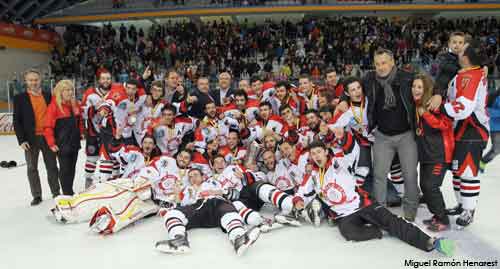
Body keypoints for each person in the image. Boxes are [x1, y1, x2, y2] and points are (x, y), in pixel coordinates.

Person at [293, 139, 455, 256]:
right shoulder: (312, 175)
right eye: (313, 154)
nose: (316, 156)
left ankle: (430, 242)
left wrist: (342, 137)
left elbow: (350, 149)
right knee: (350, 234)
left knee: (393, 222)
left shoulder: (339, 162)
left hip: (363, 204)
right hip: (344, 215)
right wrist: (298, 201)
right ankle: (378, 230)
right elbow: (301, 192)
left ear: (326, 152)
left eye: (319, 152)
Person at [155, 168, 261, 256]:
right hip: (197, 208)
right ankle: (179, 240)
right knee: (172, 214)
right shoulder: (187, 189)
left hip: (216, 202)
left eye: (195, 174)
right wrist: (178, 194)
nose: (193, 178)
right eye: (190, 176)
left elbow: (233, 193)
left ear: (203, 176)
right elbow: (181, 206)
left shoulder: (213, 181)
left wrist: (215, 192)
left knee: (229, 211)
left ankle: (238, 238)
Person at [442, 42, 489, 228]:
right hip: (461, 130)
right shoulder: (469, 72)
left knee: (468, 172)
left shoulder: (470, 75)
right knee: (457, 170)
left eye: (461, 50)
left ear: (466, 57)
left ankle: (469, 210)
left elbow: (463, 107)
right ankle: (462, 205)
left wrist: (441, 109)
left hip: (472, 130)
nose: (457, 51)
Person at [412, 74, 454, 231]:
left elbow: (445, 125)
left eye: (420, 87)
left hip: (439, 154)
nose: (416, 90)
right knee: (425, 185)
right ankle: (437, 215)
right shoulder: (415, 105)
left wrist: (426, 114)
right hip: (426, 154)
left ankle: (443, 219)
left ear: (427, 89)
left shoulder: (436, 104)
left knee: (431, 186)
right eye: (414, 86)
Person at [13, 69, 59, 206]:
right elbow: (17, 121)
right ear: (26, 81)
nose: (33, 82)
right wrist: (22, 140)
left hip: (48, 137)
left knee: (52, 166)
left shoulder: (48, 95)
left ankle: (56, 192)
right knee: (32, 168)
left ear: (40, 80)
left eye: (36, 79)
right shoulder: (20, 98)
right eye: (30, 80)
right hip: (30, 139)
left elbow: (54, 116)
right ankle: (37, 195)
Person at [44, 80, 83, 196]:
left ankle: (69, 190)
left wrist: (80, 132)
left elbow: (79, 120)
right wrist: (51, 143)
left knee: (72, 168)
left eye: (71, 89)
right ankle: (67, 194)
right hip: (62, 144)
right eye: (66, 90)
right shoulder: (54, 106)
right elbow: (47, 126)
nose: (70, 92)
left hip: (74, 142)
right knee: (65, 170)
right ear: (60, 92)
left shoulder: (74, 104)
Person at [480, 87, 500, 171]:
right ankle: (483, 161)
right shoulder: (494, 96)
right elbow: (487, 111)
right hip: (496, 128)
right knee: (496, 149)